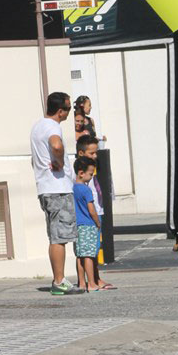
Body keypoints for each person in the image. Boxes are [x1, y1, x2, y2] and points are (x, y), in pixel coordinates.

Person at [30, 91, 82, 295]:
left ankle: (59, 280)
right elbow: (56, 145)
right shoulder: (52, 127)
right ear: (60, 111)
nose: (69, 112)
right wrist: (59, 161)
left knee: (55, 235)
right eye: (68, 109)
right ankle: (59, 281)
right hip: (57, 189)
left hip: (46, 188)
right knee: (59, 237)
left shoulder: (37, 127)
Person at [76, 135, 116, 290]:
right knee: (91, 250)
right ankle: (93, 280)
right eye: (92, 153)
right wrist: (96, 220)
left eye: (96, 152)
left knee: (89, 250)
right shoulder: (83, 174)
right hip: (91, 217)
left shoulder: (90, 170)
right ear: (81, 153)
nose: (95, 156)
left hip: (95, 211)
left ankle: (91, 280)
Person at [73, 156, 102, 291]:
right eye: (90, 174)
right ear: (81, 173)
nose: (91, 177)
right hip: (88, 225)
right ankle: (91, 283)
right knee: (89, 255)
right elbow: (91, 209)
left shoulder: (72, 188)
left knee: (79, 255)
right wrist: (97, 222)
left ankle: (81, 283)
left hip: (76, 225)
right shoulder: (86, 189)